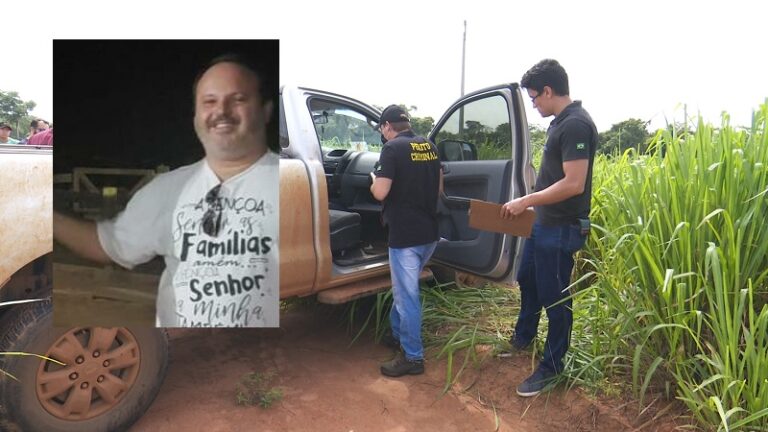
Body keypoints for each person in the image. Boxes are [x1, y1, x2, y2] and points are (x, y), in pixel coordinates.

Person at [53, 53, 280, 327]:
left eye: (238, 99)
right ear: (196, 116)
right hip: (184, 351)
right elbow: (108, 245)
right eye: (209, 101)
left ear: (266, 110)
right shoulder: (166, 189)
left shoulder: (294, 184)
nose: (221, 111)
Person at [500, 59, 598, 396]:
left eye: (534, 99)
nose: (534, 104)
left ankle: (552, 367)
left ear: (548, 90)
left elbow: (573, 183)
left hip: (561, 228)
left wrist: (527, 201)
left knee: (555, 298)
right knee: (527, 278)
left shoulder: (576, 125)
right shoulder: (560, 123)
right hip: (543, 224)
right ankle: (524, 337)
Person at [370, 105, 442, 377]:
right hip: (429, 234)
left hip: (405, 237)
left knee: (406, 297)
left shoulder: (392, 149)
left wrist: (373, 178)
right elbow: (439, 188)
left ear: (388, 126)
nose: (383, 134)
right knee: (404, 290)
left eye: (382, 129)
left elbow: (380, 192)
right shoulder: (429, 146)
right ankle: (396, 334)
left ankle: (413, 357)